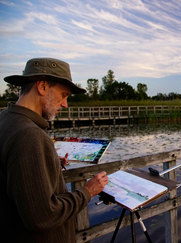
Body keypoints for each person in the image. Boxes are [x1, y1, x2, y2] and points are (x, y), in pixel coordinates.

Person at [0, 57, 109, 242]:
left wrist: (48, 162)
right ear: (42, 86)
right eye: (64, 94)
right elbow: (43, 217)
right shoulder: (30, 135)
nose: (65, 104)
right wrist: (87, 192)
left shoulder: (6, 120)